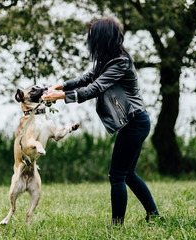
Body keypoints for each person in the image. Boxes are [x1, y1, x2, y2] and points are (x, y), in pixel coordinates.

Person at [42, 17, 160, 225]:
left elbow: (94, 88)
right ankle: (154, 215)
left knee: (117, 176)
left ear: (101, 38)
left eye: (91, 36)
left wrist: (60, 97)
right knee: (128, 174)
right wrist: (59, 86)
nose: (89, 41)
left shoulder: (120, 63)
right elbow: (87, 79)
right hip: (133, 123)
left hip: (136, 123)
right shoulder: (109, 59)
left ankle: (117, 226)